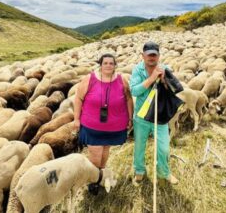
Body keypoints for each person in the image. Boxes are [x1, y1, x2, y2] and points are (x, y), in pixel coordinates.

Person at [73, 53, 133, 194]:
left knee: (105, 150)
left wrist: (130, 118)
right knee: (95, 155)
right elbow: (78, 98)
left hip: (114, 126)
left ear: (115, 65)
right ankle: (93, 182)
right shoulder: (90, 79)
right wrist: (76, 119)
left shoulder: (121, 80)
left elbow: (129, 99)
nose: (108, 65)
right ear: (100, 64)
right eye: (105, 63)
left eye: (111, 63)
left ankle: (100, 175)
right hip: (92, 126)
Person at [129, 41, 178, 185]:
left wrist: (164, 80)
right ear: (143, 55)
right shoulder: (138, 70)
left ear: (158, 56)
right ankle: (139, 171)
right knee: (139, 146)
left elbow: (175, 89)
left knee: (163, 148)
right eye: (149, 55)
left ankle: (164, 172)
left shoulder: (165, 69)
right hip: (142, 116)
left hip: (159, 116)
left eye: (154, 55)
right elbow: (134, 90)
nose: (152, 58)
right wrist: (151, 78)